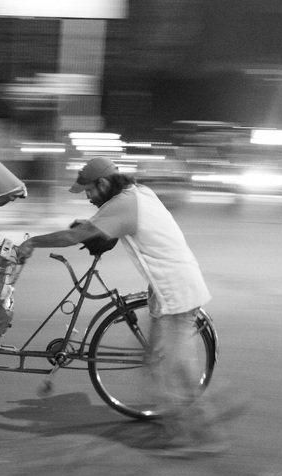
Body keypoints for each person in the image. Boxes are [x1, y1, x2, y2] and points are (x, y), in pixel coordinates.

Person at [16, 156, 226, 455]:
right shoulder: (139, 194)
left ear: (103, 183)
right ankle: (187, 418)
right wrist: (94, 229)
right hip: (168, 290)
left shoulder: (125, 204)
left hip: (177, 295)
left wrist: (32, 242)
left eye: (88, 190)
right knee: (156, 364)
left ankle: (202, 436)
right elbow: (113, 229)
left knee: (170, 371)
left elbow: (75, 236)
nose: (87, 196)